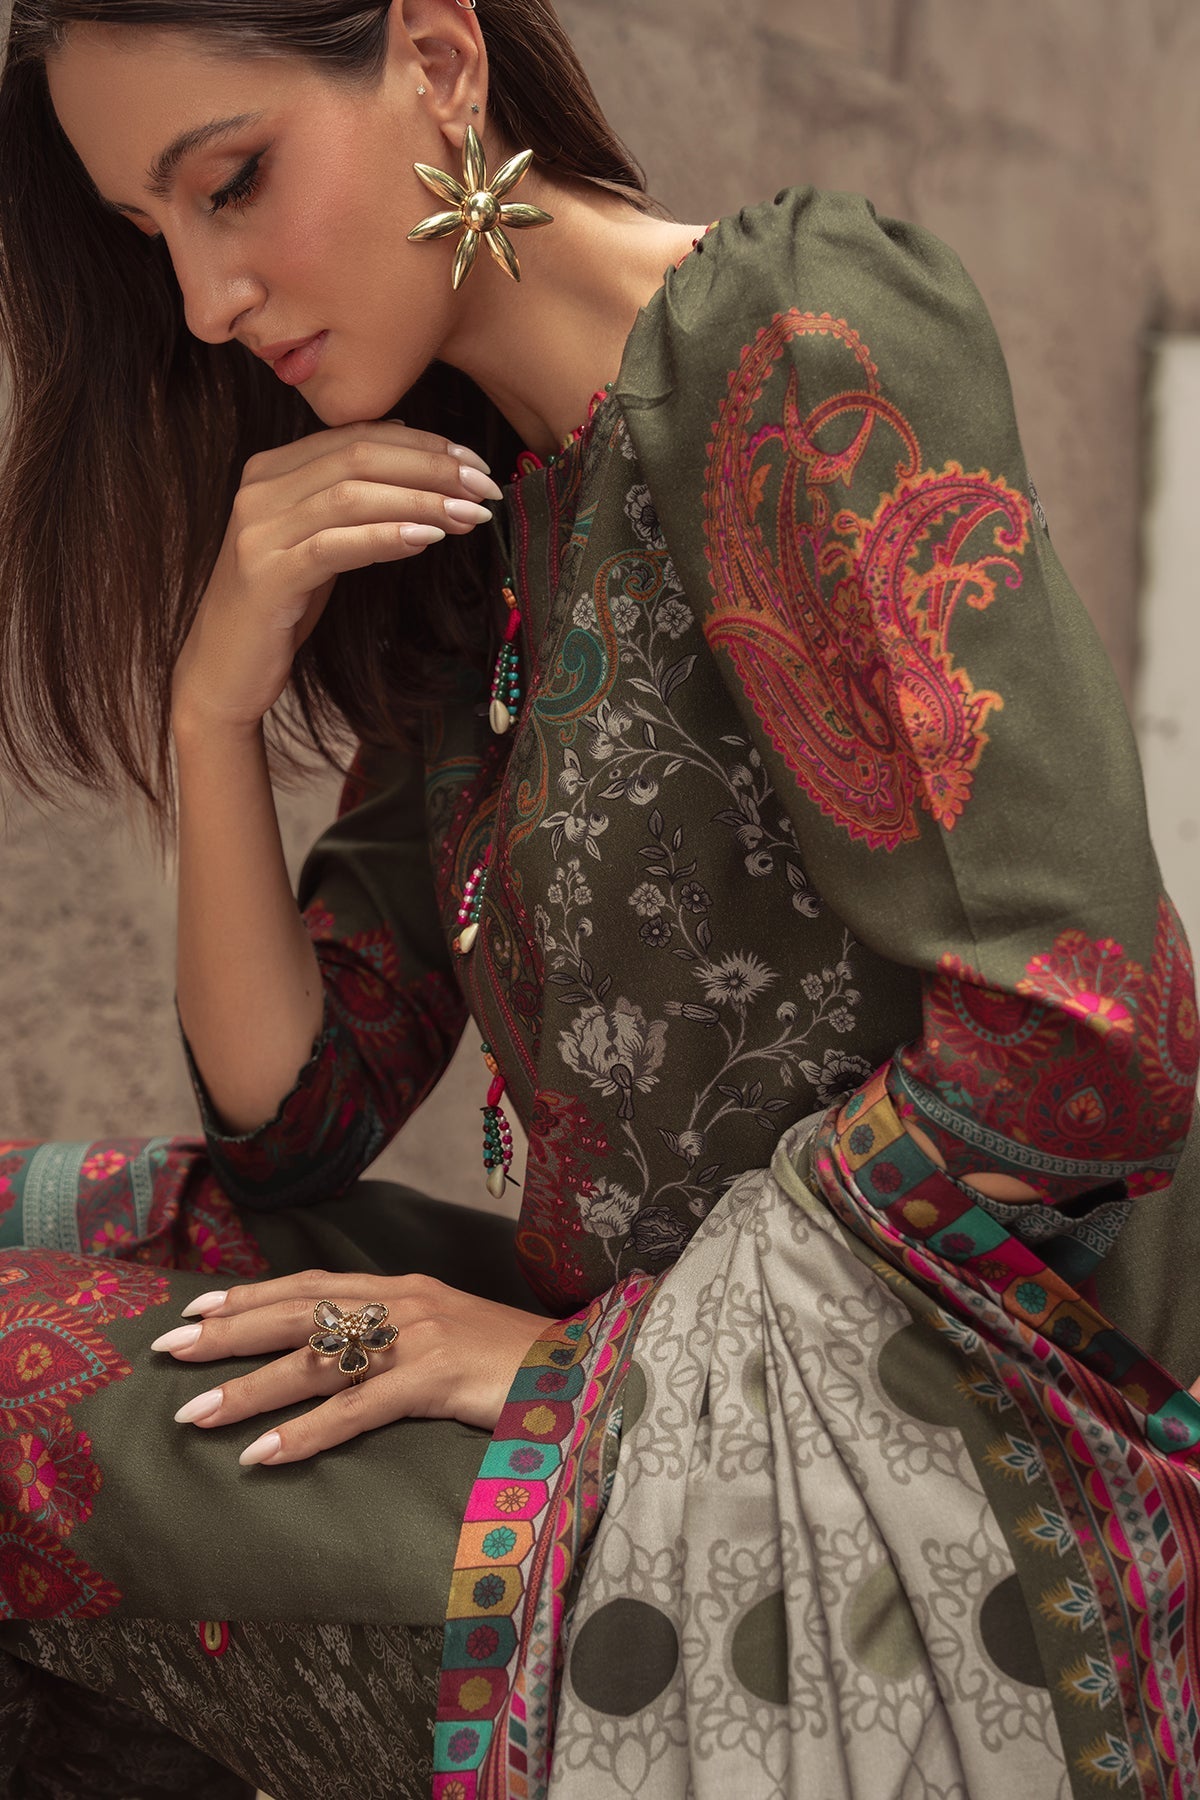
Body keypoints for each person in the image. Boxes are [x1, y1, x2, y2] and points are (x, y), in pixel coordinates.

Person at [1, 0, 1199, 1795]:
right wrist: (210, 712)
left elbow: (1081, 1045)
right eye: (148, 231)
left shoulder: (786, 339)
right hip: (633, 1388)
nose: (203, 301)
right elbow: (297, 1117)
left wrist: (582, 1373)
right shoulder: (476, 514)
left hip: (938, 1449)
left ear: (439, 59)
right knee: (72, 1236)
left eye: (231, 183)